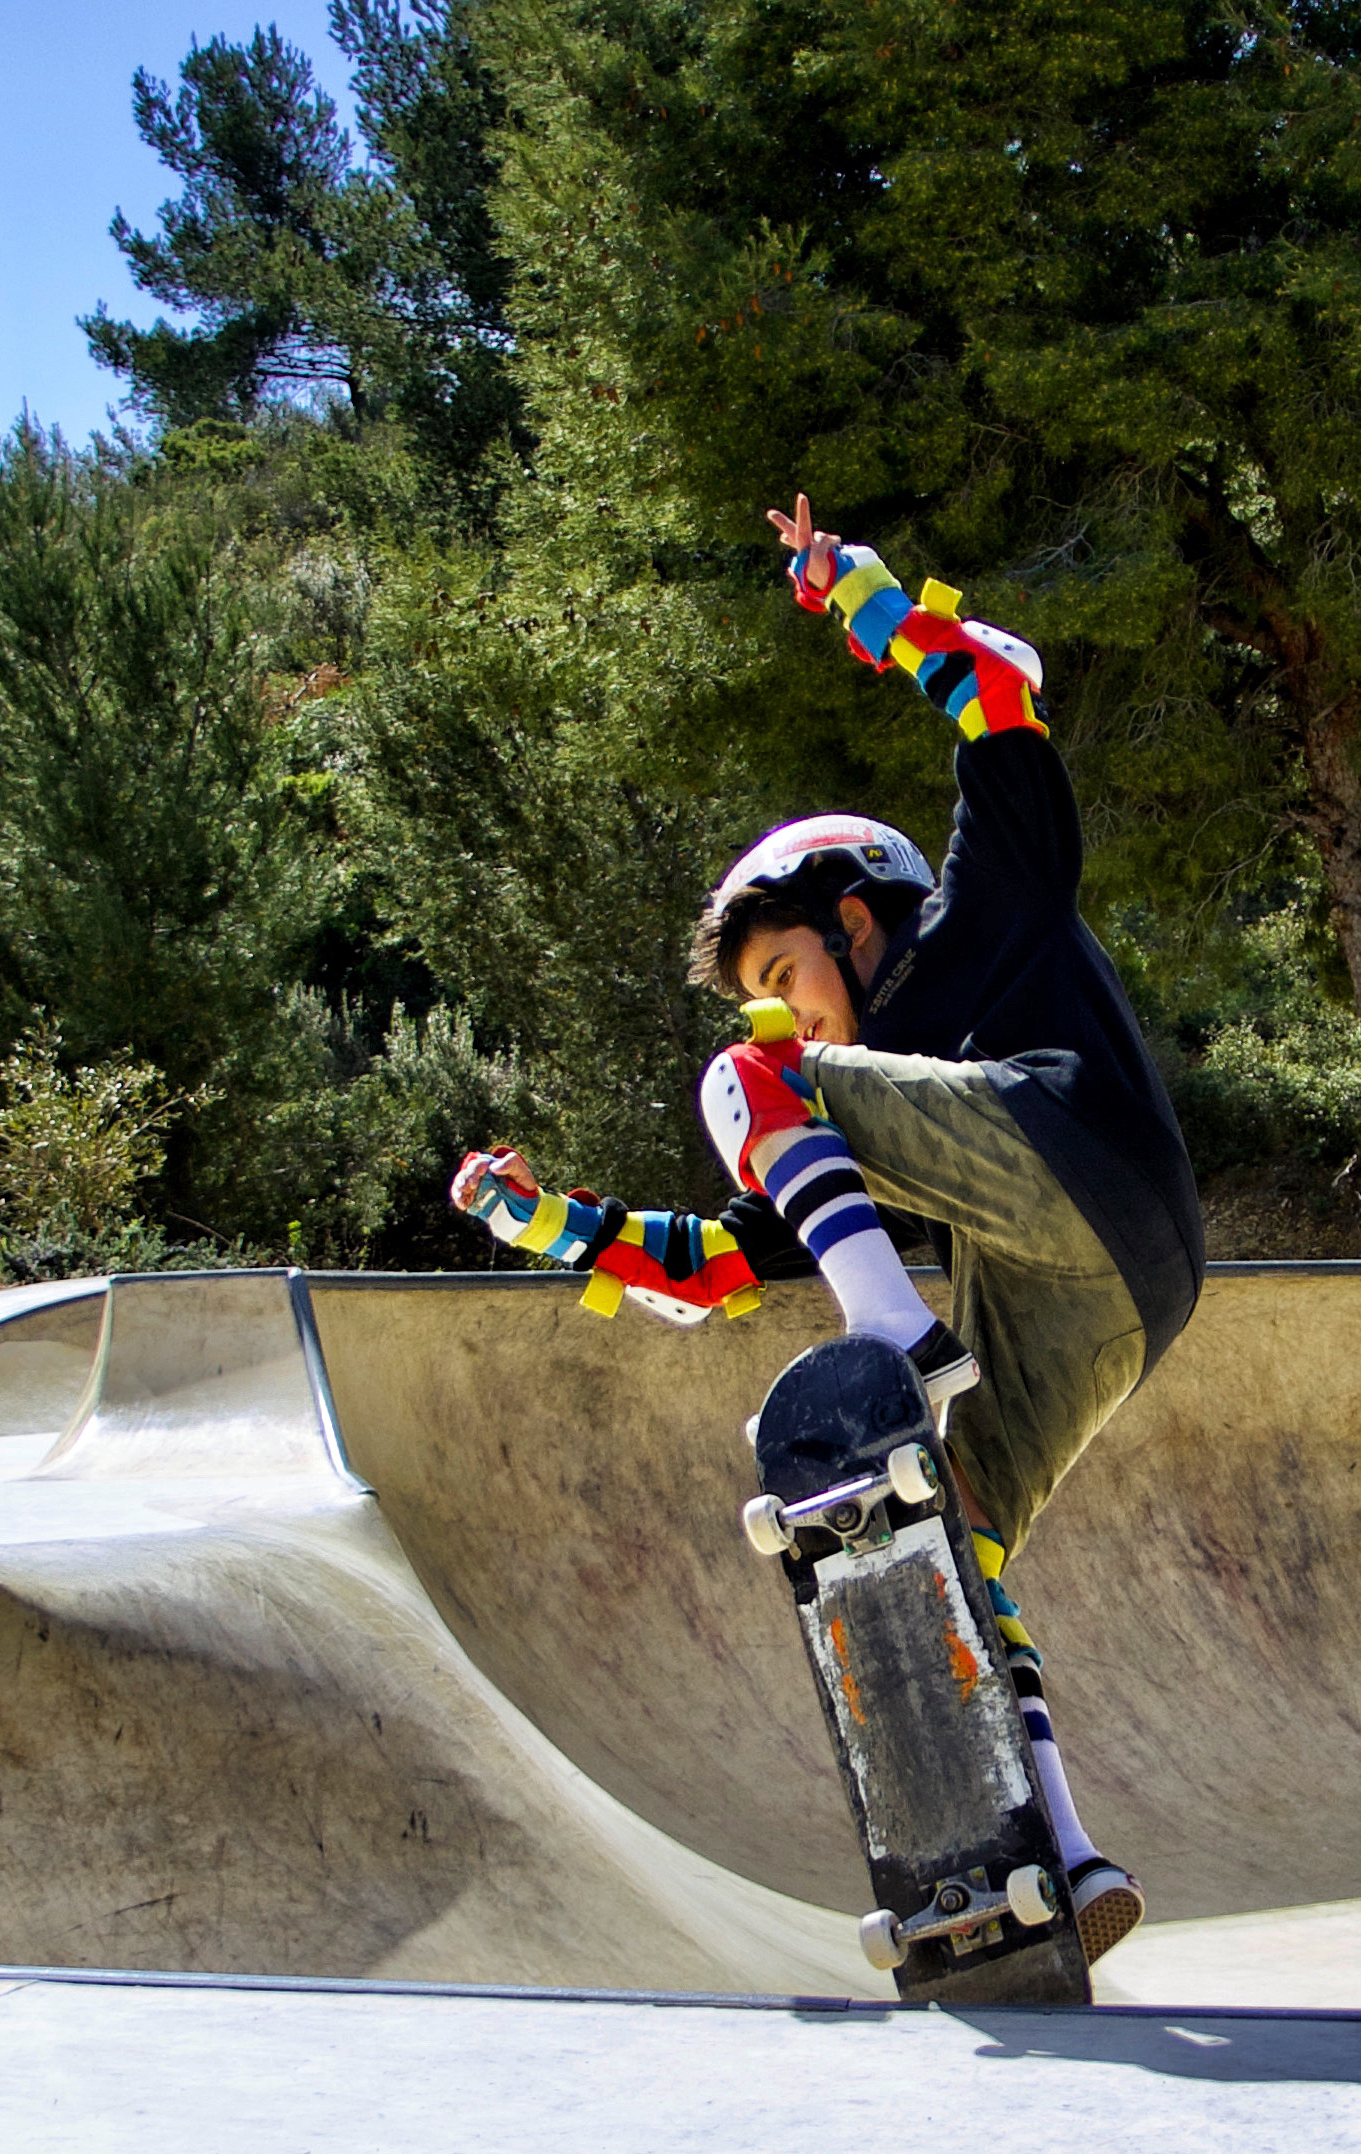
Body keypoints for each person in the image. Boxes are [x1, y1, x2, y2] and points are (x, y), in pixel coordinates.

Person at [444, 494, 1204, 1964]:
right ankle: (1061, 1844)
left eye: (789, 965)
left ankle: (900, 1333)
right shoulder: (849, 1123)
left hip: (1082, 1143)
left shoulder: (995, 901)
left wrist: (848, 588)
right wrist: (545, 1222)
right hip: (1117, 1292)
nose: (787, 1008)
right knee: (952, 1523)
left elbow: (994, 688)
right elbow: (725, 1261)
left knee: (749, 1083)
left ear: (858, 916)